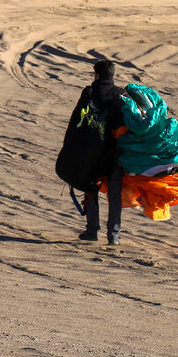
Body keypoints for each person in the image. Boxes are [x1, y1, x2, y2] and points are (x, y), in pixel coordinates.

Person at [76, 59, 127, 246]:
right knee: (115, 195)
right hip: (115, 155)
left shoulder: (89, 93)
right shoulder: (121, 94)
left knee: (91, 190)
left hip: (92, 153)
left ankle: (92, 231)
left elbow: (77, 122)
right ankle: (113, 235)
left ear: (97, 75)